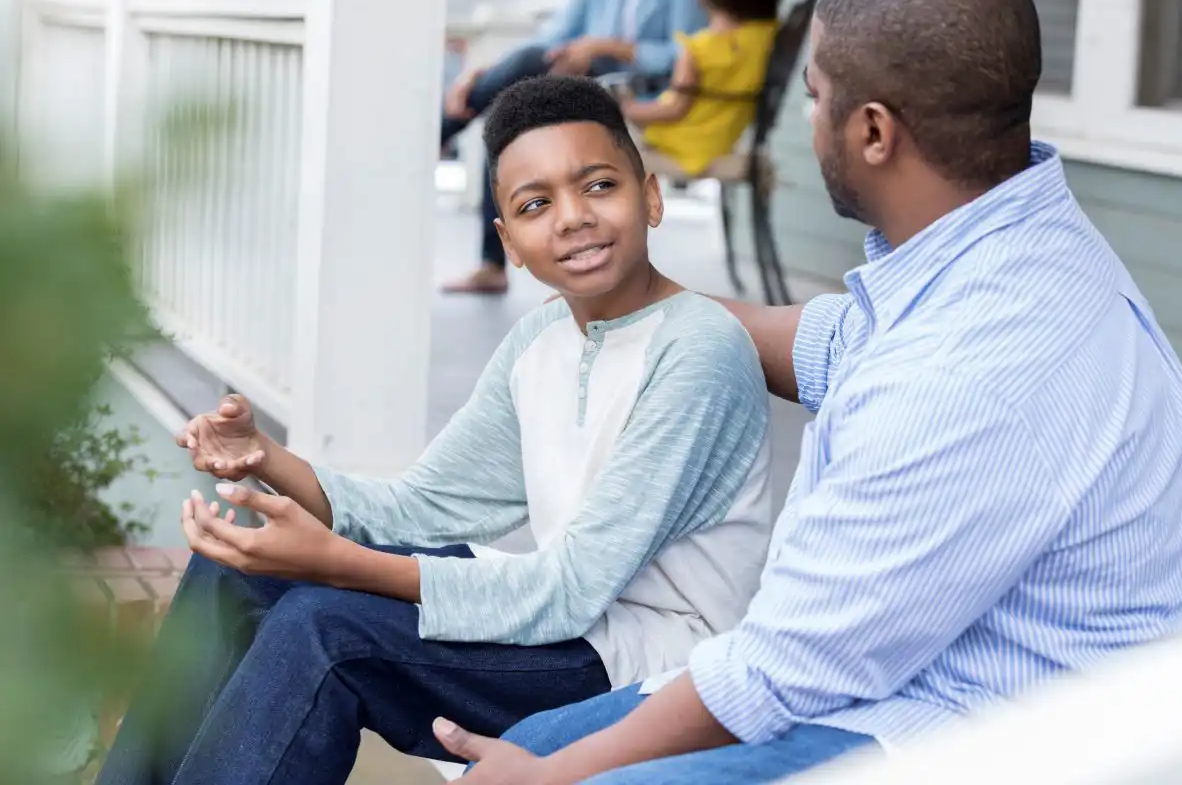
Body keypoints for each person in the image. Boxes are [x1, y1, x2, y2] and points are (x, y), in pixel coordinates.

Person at [432, 0, 1182, 783]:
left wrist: (554, 778)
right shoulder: (1011, 242)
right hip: (909, 673)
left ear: (872, 131)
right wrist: (629, 300)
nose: (807, 118)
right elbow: (842, 344)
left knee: (550, 766)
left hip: (991, 736)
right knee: (539, 736)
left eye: (814, 96)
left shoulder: (964, 376)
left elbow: (783, 668)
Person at [96, 78, 775, 785]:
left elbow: (571, 588)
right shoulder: (541, 339)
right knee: (239, 565)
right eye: (536, 204)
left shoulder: (700, 349)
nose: (572, 218)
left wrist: (329, 560)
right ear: (509, 242)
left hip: (647, 663)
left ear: (652, 196)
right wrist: (265, 457)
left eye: (598, 186)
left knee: (324, 631)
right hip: (564, 624)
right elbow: (421, 506)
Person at [440, 0, 706, 295]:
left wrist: (607, 47)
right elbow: (552, 37)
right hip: (582, 81)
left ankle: (441, 134)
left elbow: (683, 55)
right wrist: (488, 71)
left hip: (637, 89)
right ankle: (491, 266)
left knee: (510, 95)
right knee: (509, 110)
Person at [621, 0, 780, 177]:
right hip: (724, 138)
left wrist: (627, 109)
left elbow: (674, 109)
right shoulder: (768, 36)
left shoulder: (697, 50)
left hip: (685, 148)